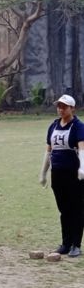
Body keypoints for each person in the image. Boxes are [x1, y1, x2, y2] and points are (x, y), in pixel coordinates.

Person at [39, 94, 84, 257]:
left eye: (64, 106)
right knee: (64, 209)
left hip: (74, 174)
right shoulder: (53, 126)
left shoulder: (78, 126)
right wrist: (43, 173)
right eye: (59, 106)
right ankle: (66, 243)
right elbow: (48, 151)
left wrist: (82, 168)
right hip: (57, 174)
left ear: (72, 108)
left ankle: (76, 244)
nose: (60, 109)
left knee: (76, 209)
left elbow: (82, 149)